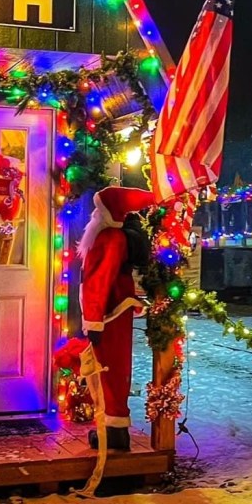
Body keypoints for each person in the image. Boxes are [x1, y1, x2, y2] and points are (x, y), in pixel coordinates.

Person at [77, 186, 157, 451]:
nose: (92, 214)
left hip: (108, 315)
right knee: (114, 370)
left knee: (107, 372)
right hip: (114, 314)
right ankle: (114, 428)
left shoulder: (109, 238)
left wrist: (93, 320)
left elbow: (98, 280)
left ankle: (111, 432)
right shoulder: (113, 236)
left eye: (97, 208)